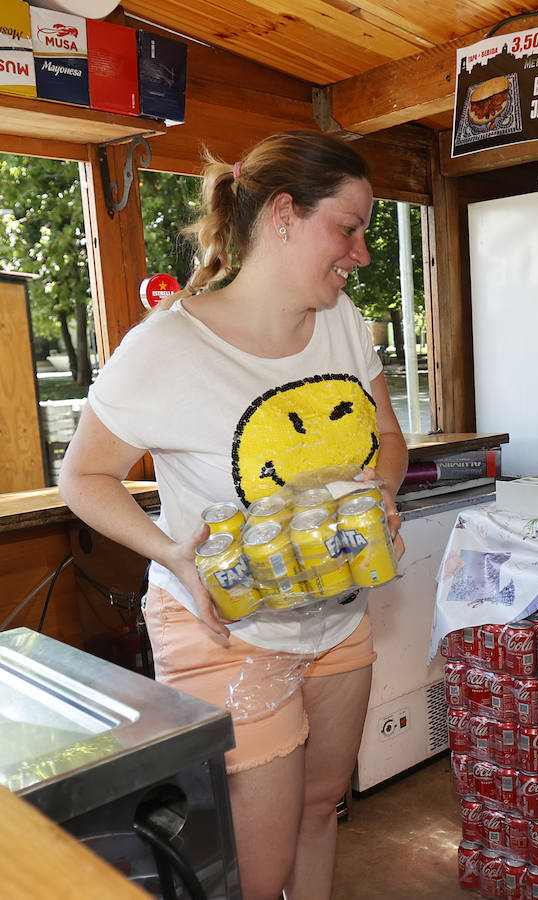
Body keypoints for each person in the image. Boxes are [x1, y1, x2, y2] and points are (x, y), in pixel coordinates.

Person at [58, 131, 407, 900]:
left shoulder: (343, 320)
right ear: (284, 213)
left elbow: (385, 433)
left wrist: (380, 492)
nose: (361, 254)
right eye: (347, 228)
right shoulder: (166, 347)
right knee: (261, 868)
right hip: (227, 628)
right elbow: (82, 475)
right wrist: (171, 553)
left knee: (322, 811)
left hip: (339, 615)